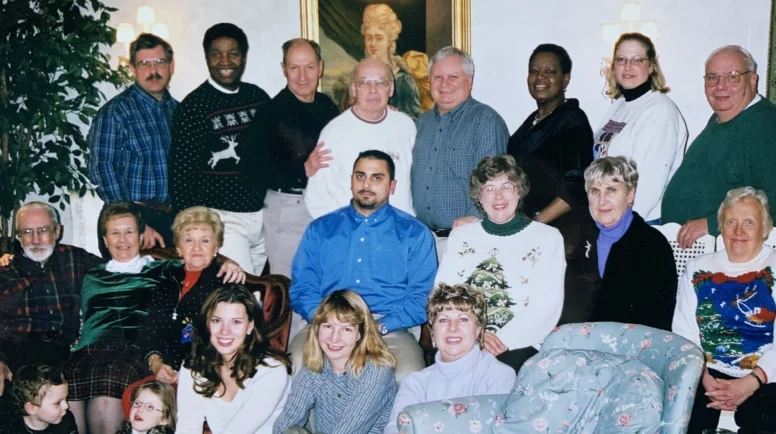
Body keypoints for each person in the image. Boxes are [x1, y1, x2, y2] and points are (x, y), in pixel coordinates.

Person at [60, 203, 243, 434]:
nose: (123, 239)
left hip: (130, 349)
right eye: (115, 233)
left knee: (106, 395)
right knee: (65, 392)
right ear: (104, 240)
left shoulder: (162, 270)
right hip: (88, 350)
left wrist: (229, 264)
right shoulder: (91, 274)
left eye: (129, 231)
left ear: (141, 236)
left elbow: (198, 259)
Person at [291, 151, 437, 382]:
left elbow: (421, 298)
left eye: (377, 178)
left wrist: (380, 326)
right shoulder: (320, 229)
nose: (367, 184)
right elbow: (302, 289)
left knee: (409, 376)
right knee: (297, 365)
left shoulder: (415, 233)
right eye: (360, 176)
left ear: (392, 185)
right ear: (351, 181)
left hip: (389, 328)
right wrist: (327, 323)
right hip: (327, 322)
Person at [435, 155, 565, 371]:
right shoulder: (461, 237)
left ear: (519, 190)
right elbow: (443, 294)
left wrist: (498, 340)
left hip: (518, 344)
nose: (498, 196)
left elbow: (546, 306)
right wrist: (474, 336)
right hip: (462, 339)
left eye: (507, 186)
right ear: (479, 196)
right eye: (489, 188)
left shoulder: (547, 238)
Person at [168, 23, 272, 275]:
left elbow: (279, 148)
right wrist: (194, 233)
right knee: (239, 293)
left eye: (233, 53)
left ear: (244, 57)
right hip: (224, 221)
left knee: (260, 295)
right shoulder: (194, 107)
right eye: (216, 54)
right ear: (207, 58)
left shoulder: (257, 97)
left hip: (264, 215)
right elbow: (180, 173)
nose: (225, 61)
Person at [673, 187, 776, 433]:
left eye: (749, 222)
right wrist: (703, 377)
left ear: (764, 229)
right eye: (731, 222)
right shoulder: (697, 268)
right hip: (706, 372)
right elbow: (683, 333)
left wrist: (752, 381)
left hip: (765, 374)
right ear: (721, 226)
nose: (739, 231)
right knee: (683, 415)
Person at [663, 45, 776, 249]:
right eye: (712, 78)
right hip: (698, 250)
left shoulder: (766, 124)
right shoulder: (721, 120)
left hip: (728, 253)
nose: (720, 86)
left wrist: (713, 224)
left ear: (753, 80)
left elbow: (773, 198)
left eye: (732, 77)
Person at [0, 202, 102, 421]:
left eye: (43, 230)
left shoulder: (76, 260)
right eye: (27, 232)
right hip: (16, 350)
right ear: (18, 236)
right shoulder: (6, 271)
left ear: (57, 231)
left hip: (61, 350)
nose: (35, 239)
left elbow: (119, 268)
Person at [411, 47, 509, 256]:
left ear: (470, 81)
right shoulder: (420, 124)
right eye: (438, 77)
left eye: (453, 77)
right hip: (422, 242)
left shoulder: (485, 120)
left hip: (468, 240)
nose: (444, 84)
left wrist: (476, 220)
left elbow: (494, 180)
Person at [384, 283, 516, 434]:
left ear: (479, 330)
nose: (453, 328)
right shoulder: (415, 382)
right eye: (443, 320)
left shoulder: (499, 375)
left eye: (463, 319)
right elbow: (395, 429)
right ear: (433, 332)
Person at [563, 156, 677, 330]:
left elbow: (658, 316)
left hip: (633, 345)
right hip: (583, 341)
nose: (602, 201)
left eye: (611, 190)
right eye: (595, 191)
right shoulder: (584, 239)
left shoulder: (652, 245)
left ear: (630, 195)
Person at [138, 206, 246, 386]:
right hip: (163, 372)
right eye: (189, 240)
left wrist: (189, 374)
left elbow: (228, 340)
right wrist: (157, 363)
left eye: (205, 240)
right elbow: (148, 329)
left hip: (208, 373)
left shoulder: (227, 283)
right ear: (179, 248)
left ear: (216, 247)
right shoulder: (165, 280)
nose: (197, 247)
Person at [88, 33, 178, 248]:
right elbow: (102, 169)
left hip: (173, 218)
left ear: (171, 66)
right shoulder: (115, 113)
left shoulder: (179, 112)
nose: (153, 70)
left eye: (160, 62)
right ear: (133, 69)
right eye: (144, 63)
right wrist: (134, 224)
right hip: (129, 221)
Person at [263, 38, 339, 282]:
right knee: (290, 287)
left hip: (324, 206)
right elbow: (255, 170)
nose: (302, 76)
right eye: (294, 68)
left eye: (309, 67)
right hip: (288, 208)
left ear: (321, 68)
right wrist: (302, 169)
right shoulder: (270, 111)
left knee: (324, 283)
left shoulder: (327, 106)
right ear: (283, 68)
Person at [507, 44, 594, 254]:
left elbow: (576, 185)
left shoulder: (573, 121)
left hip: (560, 237)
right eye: (534, 71)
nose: (540, 78)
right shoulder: (534, 121)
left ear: (566, 78)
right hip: (532, 233)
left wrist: (536, 221)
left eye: (550, 72)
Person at [593, 33, 687, 225]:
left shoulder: (660, 110)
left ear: (651, 66)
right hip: (611, 217)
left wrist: (622, 227)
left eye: (637, 60)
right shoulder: (619, 104)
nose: (628, 67)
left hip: (640, 222)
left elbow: (649, 184)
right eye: (621, 59)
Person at [304, 58, 416, 219]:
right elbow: (317, 196)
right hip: (351, 233)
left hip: (398, 232)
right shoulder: (334, 132)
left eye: (380, 82)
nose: (373, 90)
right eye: (364, 83)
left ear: (391, 89)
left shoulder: (406, 126)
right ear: (353, 89)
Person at [273, 290, 397, 434]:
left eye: (346, 329)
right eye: (328, 326)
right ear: (317, 329)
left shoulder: (377, 371)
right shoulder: (315, 366)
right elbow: (286, 420)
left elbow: (348, 430)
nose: (334, 338)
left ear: (360, 334)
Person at [176, 284, 292, 434]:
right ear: (207, 323)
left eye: (236, 322)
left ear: (250, 326)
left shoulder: (271, 372)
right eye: (217, 320)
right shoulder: (194, 366)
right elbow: (187, 427)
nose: (225, 331)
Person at [0, 365, 77, 434]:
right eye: (57, 403)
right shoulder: (10, 429)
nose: (66, 406)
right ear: (32, 408)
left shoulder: (67, 420)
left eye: (66, 398)